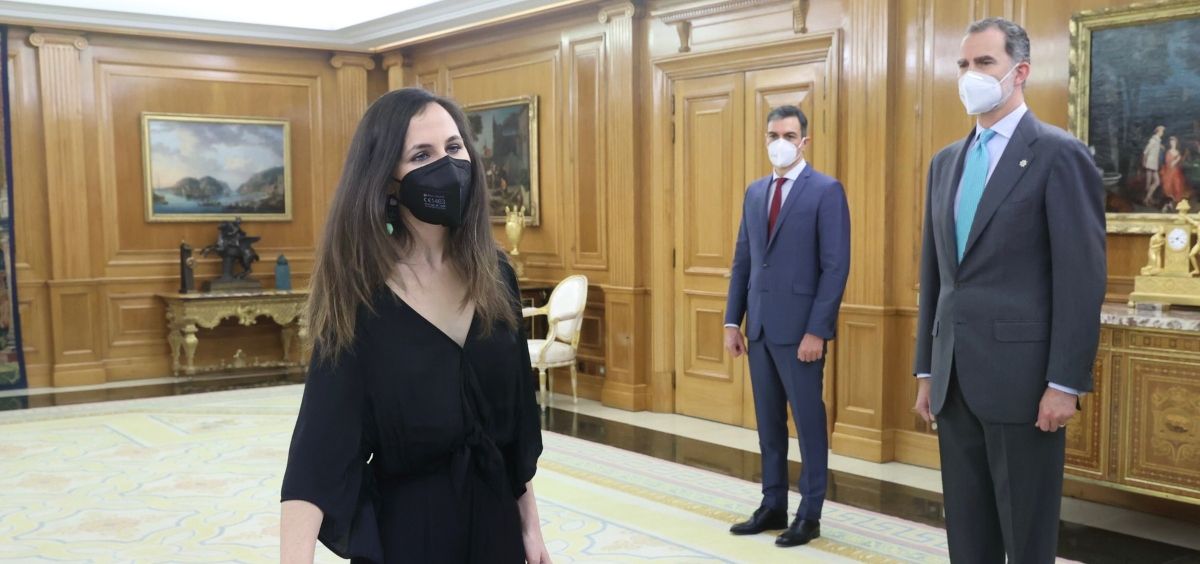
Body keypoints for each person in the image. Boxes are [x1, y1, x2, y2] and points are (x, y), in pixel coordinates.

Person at [280, 88, 550, 564]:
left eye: (454, 147)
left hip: (496, 529)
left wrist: (531, 528)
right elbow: (318, 451)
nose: (446, 164)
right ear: (387, 179)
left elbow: (513, 431)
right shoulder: (360, 295)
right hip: (408, 534)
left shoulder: (496, 275)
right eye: (422, 155)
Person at [912, 18, 1106, 563]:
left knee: (1025, 536)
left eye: (984, 63)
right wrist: (926, 369)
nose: (969, 74)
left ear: (1019, 72)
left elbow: (1081, 280)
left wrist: (1064, 382)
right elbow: (937, 275)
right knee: (967, 532)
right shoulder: (945, 163)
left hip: (1024, 385)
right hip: (954, 379)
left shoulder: (1058, 154)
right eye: (963, 64)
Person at [723, 105, 850, 548]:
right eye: (773, 135)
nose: (780, 142)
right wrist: (732, 321)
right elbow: (743, 261)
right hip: (758, 329)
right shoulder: (755, 192)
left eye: (789, 135)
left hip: (802, 335)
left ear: (804, 141)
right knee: (769, 425)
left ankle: (809, 514)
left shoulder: (826, 191)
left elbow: (835, 268)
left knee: (809, 425)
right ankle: (772, 504)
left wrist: (818, 330)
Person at [1160, 136, 1190, 207]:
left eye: (1173, 142)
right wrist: (1177, 159)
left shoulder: (1177, 152)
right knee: (1168, 187)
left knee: (1177, 185)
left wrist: (1181, 158)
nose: (1172, 143)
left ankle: (1172, 203)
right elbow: (1169, 164)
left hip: (1176, 172)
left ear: (1176, 143)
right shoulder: (1168, 152)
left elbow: (1179, 163)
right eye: (1171, 142)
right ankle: (1168, 203)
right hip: (1169, 172)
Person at [1143, 125, 1165, 206]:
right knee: (1155, 182)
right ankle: (1146, 199)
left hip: (1153, 163)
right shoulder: (1153, 140)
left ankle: (1148, 198)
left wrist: (1161, 146)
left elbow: (1156, 147)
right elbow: (1146, 151)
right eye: (1162, 131)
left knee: (1153, 182)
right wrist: (1144, 161)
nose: (1163, 133)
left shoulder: (1157, 140)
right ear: (1158, 131)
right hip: (1150, 163)